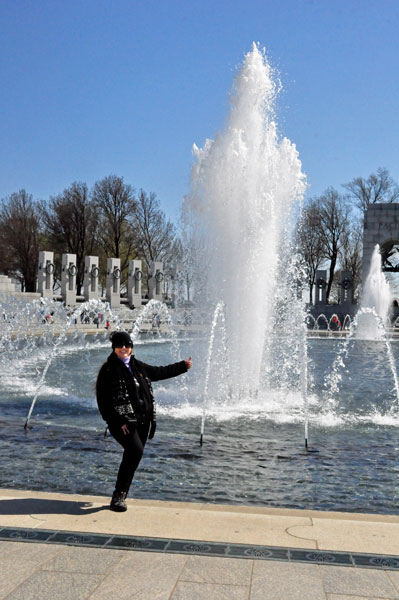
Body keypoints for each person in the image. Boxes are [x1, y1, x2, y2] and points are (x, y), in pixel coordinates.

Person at [96, 331, 192, 512]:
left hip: (143, 421)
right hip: (122, 423)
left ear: (131, 346)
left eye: (127, 344)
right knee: (135, 450)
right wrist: (117, 421)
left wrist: (183, 366)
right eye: (120, 345)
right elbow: (103, 401)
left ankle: (122, 494)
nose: (124, 348)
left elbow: (159, 372)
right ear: (114, 348)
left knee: (134, 455)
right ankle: (118, 495)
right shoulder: (109, 369)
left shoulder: (137, 366)